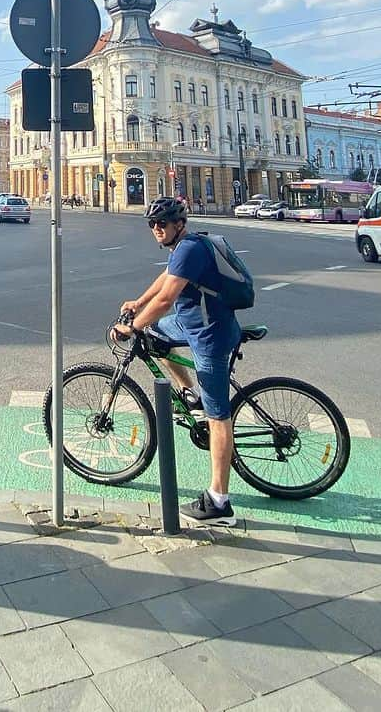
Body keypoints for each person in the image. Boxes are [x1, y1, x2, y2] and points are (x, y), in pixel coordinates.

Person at [112, 196, 241, 525]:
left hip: (210, 332)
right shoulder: (182, 248)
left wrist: (131, 326)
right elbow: (166, 280)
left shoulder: (190, 248)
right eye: (152, 225)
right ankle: (189, 393)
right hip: (191, 322)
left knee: (218, 417)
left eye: (162, 224)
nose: (156, 229)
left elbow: (168, 298)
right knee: (154, 337)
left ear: (178, 224)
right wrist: (138, 302)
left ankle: (219, 502)